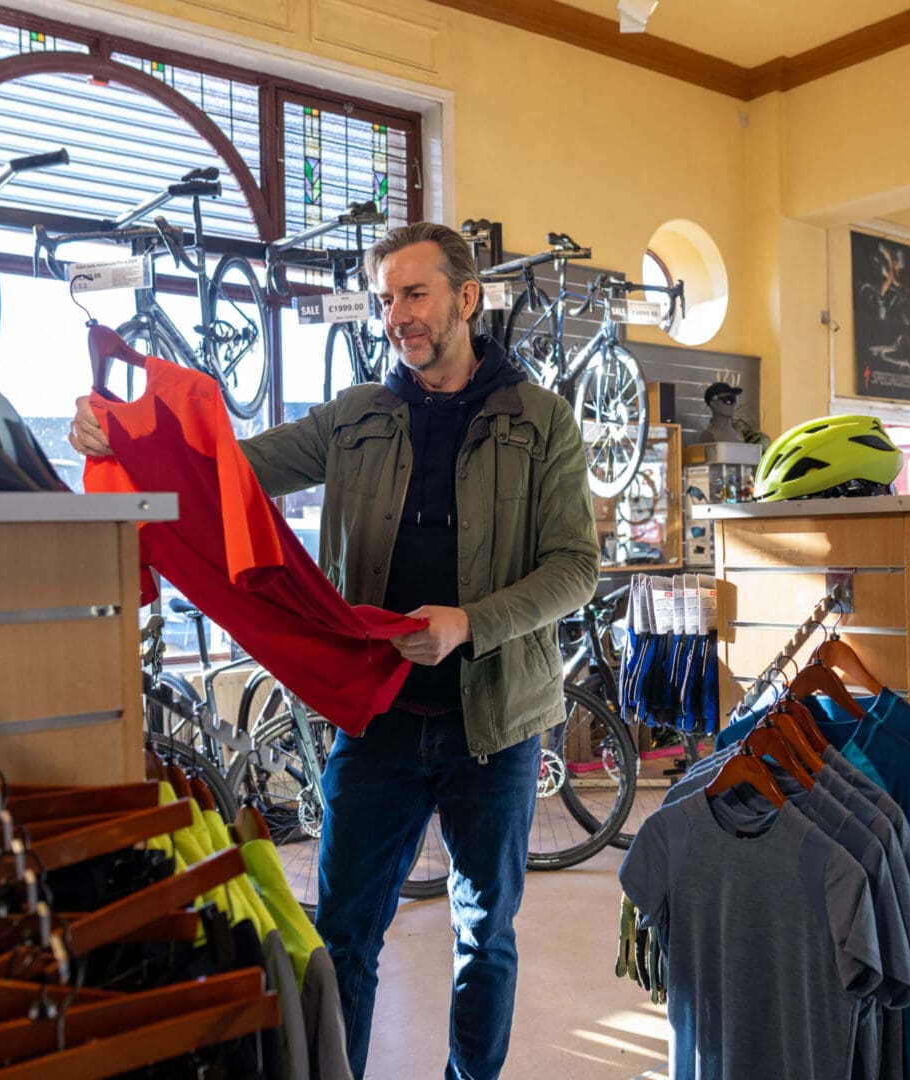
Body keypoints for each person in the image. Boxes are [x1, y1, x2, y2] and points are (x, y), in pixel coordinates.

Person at [69, 221, 599, 1079]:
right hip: (376, 720)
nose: (398, 315)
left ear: (467, 299)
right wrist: (122, 440)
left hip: (493, 725)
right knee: (344, 935)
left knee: (486, 936)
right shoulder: (357, 416)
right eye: (388, 299)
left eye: (415, 293)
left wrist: (469, 622)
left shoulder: (540, 422)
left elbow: (576, 567)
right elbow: (224, 473)